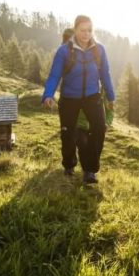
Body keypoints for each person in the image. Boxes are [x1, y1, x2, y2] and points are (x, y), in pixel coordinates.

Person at [42, 15, 115, 185]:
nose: (86, 34)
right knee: (67, 133)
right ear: (75, 30)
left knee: (98, 130)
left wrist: (111, 96)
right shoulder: (64, 51)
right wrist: (48, 95)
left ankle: (90, 170)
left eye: (89, 30)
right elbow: (55, 75)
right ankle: (69, 164)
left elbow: (105, 74)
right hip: (69, 97)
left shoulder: (99, 50)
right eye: (82, 30)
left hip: (92, 96)